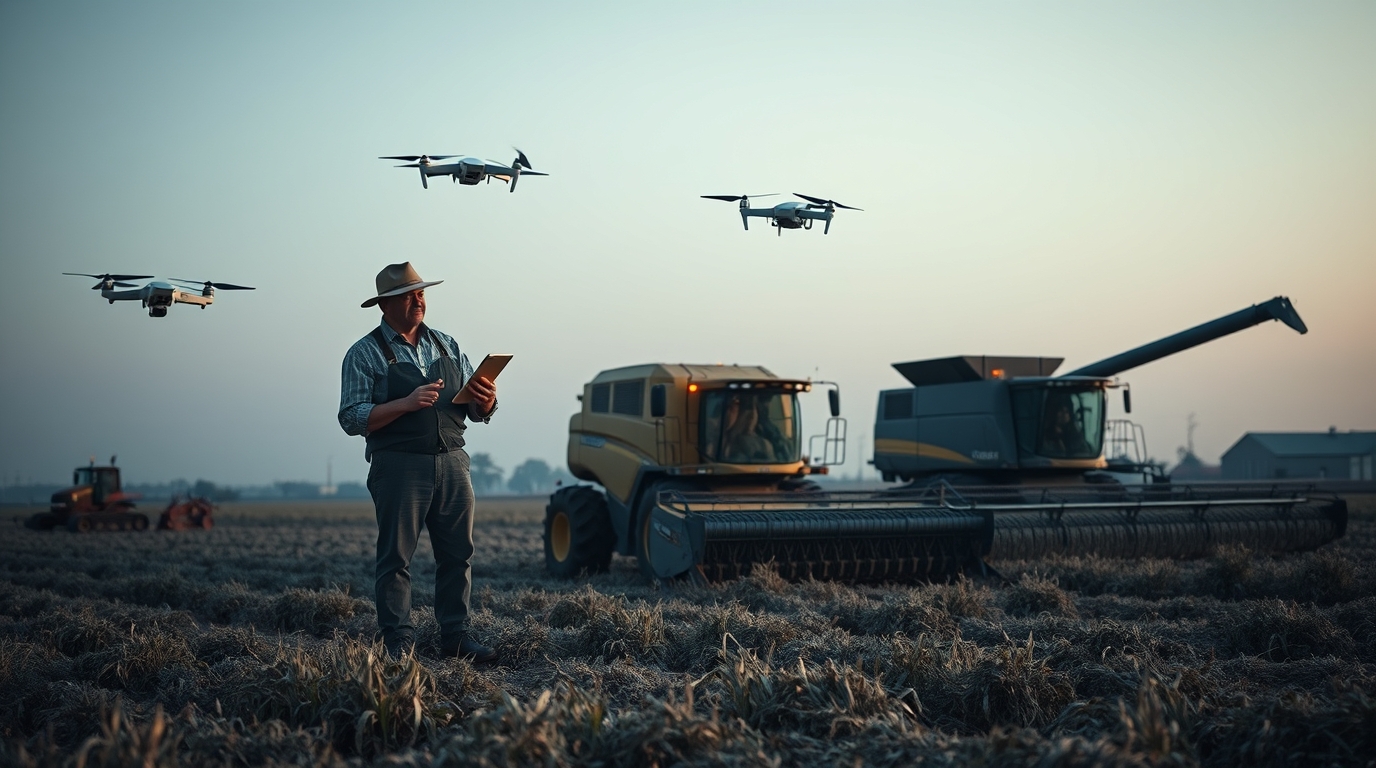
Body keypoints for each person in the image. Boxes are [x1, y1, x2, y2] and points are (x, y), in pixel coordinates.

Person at [338, 262, 499, 662]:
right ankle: (399, 642)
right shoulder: (364, 353)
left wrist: (487, 400)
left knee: (458, 555)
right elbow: (350, 416)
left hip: (453, 461)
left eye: (421, 293)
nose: (418, 301)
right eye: (409, 295)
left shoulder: (447, 344)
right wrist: (404, 404)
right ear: (386, 304)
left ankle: (456, 637)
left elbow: (475, 411)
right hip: (399, 465)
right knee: (396, 558)